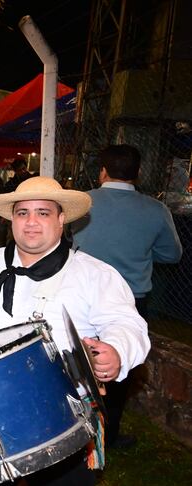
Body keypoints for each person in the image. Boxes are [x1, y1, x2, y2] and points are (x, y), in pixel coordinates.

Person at [0, 176, 151, 486]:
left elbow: (127, 324)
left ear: (62, 219)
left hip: (60, 416)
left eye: (43, 213)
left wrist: (117, 351)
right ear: (11, 219)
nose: (31, 223)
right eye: (22, 213)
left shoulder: (94, 274)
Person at [72, 144, 182, 449]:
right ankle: (109, 433)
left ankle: (72, 431)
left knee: (75, 362)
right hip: (132, 298)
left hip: (81, 294)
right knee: (117, 367)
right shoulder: (155, 210)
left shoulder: (83, 203)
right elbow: (172, 254)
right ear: (139, 173)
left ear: (102, 171)